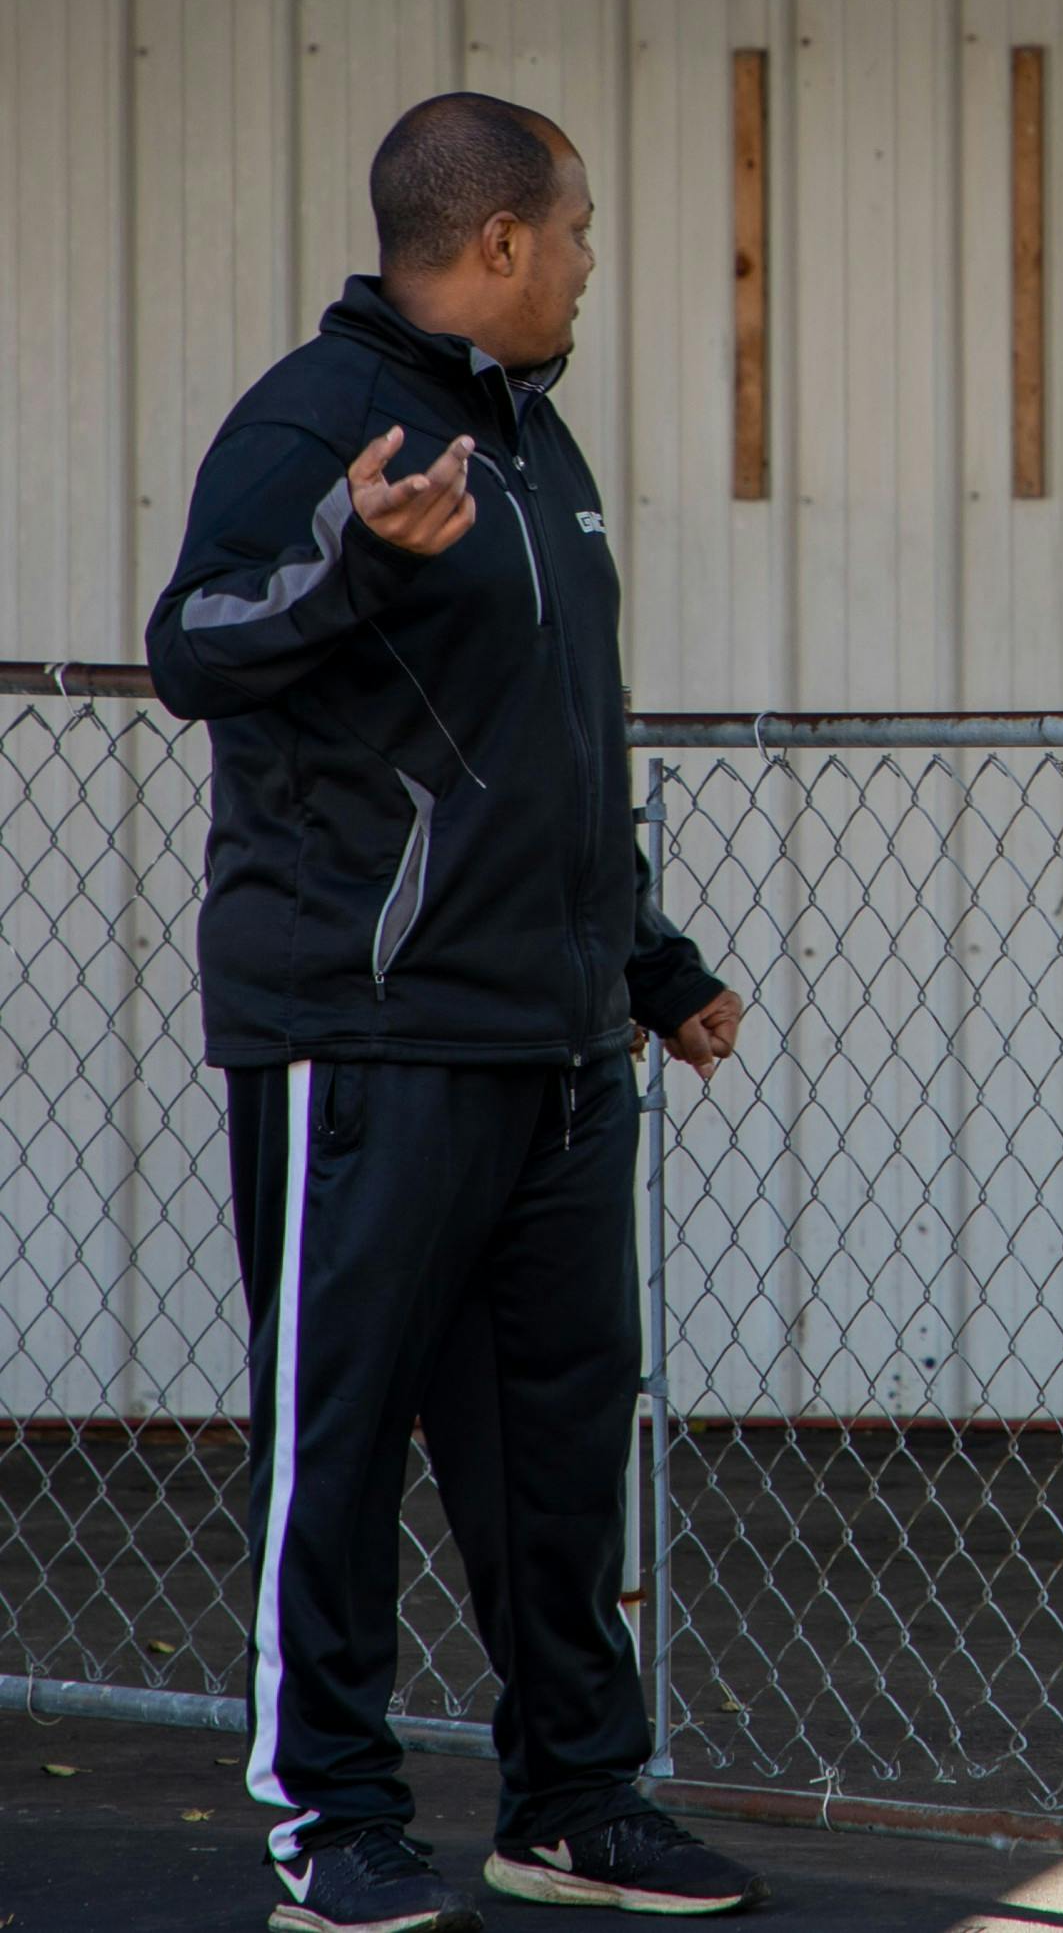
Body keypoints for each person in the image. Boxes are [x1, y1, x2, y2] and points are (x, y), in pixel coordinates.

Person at [147, 93, 768, 1932]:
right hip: (373, 1037)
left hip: (557, 1043)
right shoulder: (315, 424)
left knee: (561, 1454)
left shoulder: (533, 440)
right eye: (573, 229)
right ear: (497, 242)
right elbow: (195, 643)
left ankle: (573, 1799)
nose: (586, 260)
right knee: (337, 1445)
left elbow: (544, 751)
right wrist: (346, 555)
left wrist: (651, 968)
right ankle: (330, 1818)